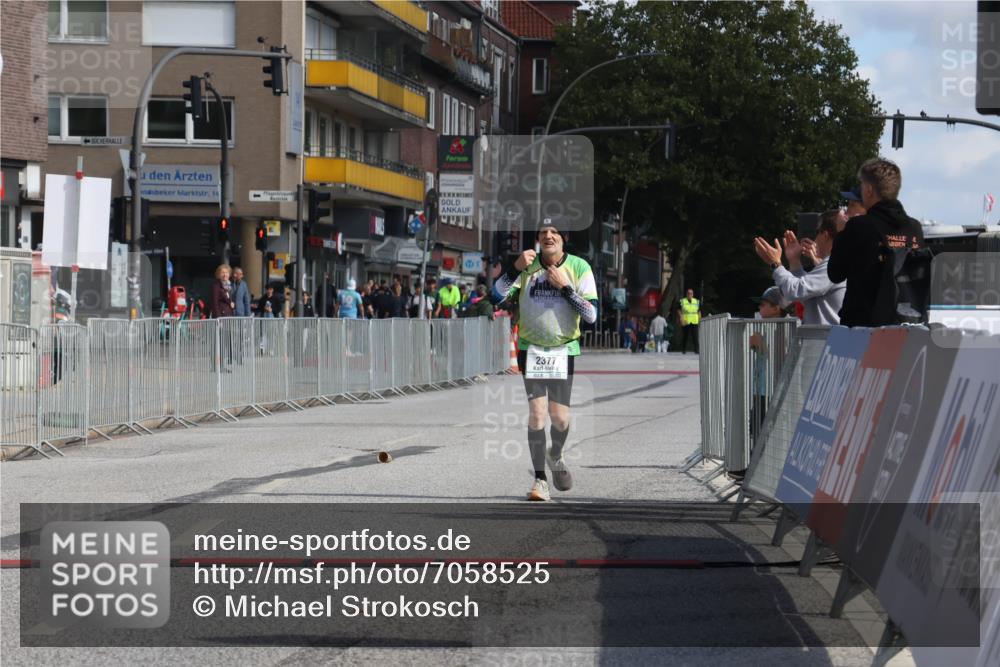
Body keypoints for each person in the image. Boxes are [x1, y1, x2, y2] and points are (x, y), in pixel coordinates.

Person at [491, 218, 598, 502]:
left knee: (560, 418)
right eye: (543, 232)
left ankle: (556, 454)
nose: (548, 236)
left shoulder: (579, 267)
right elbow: (495, 297)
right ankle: (540, 480)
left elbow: (591, 315)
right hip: (532, 349)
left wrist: (565, 288)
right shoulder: (526, 265)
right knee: (537, 414)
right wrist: (514, 269)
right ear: (538, 238)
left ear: (563, 238)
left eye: (554, 232)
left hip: (564, 349)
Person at [828, 158, 925, 327]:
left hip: (864, 327)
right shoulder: (914, 228)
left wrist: (842, 233)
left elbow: (835, 273)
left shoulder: (859, 226)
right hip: (906, 325)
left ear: (869, 189)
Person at [753, 210, 846, 326]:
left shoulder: (835, 264)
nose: (815, 238)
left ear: (825, 235)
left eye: (817, 232)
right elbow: (806, 295)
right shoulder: (839, 262)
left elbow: (795, 291)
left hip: (825, 342)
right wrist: (794, 261)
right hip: (825, 341)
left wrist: (775, 264)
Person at [678, 288, 701, 354]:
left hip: (694, 321)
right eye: (688, 293)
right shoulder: (682, 301)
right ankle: (684, 350)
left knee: (695, 336)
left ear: (693, 294)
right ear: (686, 294)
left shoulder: (696, 301)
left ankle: (696, 350)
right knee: (685, 336)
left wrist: (700, 319)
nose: (690, 294)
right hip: (686, 321)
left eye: (691, 293)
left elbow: (699, 311)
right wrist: (681, 318)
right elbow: (679, 310)